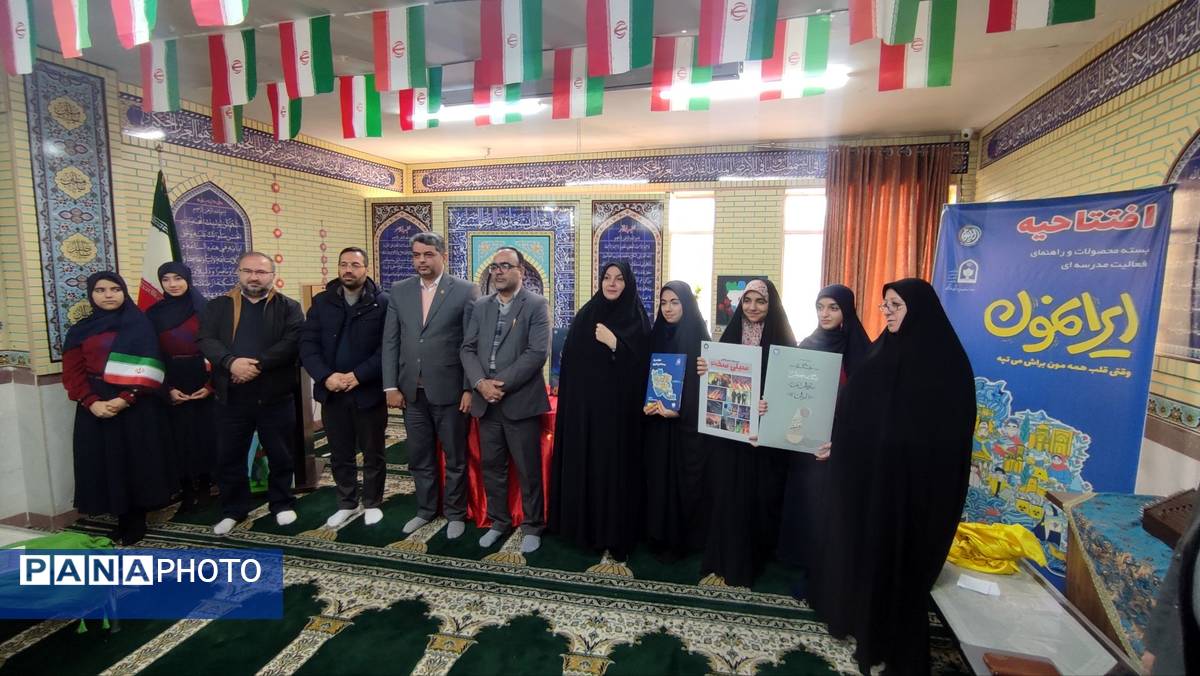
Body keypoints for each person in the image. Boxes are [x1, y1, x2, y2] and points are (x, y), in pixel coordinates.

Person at [810, 278, 975, 675]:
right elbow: (857, 413)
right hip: (873, 482)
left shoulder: (946, 363)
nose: (886, 311)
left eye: (895, 305)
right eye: (885, 304)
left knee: (900, 565)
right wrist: (842, 445)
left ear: (918, 309)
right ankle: (862, 623)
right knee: (868, 555)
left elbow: (951, 435)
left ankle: (889, 636)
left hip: (913, 490)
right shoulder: (880, 353)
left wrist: (899, 450)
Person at [62, 272, 174, 545]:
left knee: (135, 461)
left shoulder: (140, 325)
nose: (108, 295)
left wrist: (126, 397)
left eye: (114, 289)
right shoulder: (81, 330)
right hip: (95, 404)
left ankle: (136, 521)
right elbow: (73, 371)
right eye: (100, 290)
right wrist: (90, 401)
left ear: (124, 292)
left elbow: (151, 366)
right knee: (105, 461)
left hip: (136, 405)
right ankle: (118, 517)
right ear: (91, 295)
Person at [698, 279, 797, 587]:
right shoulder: (729, 338)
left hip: (763, 441)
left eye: (760, 301)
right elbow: (716, 386)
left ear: (771, 305)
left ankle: (749, 560)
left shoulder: (783, 341)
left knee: (756, 498)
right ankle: (722, 556)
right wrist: (706, 370)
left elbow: (792, 391)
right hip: (731, 437)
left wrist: (772, 403)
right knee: (728, 495)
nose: (753, 307)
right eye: (747, 300)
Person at [198, 252, 305, 536]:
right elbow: (206, 339)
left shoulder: (289, 307)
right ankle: (233, 509)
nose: (254, 277)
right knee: (229, 456)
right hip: (231, 397)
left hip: (274, 396)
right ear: (238, 273)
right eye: (248, 271)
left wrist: (256, 365)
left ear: (272, 276)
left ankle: (281, 503)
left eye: (261, 272)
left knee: (281, 454)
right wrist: (231, 363)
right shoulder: (218, 306)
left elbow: (292, 342)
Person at [550, 261, 650, 561]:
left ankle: (615, 533)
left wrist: (616, 344)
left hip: (620, 418)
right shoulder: (586, 315)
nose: (612, 283)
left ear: (628, 283)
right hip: (587, 415)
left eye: (619, 279)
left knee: (614, 474)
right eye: (607, 277)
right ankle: (587, 531)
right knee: (589, 469)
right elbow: (571, 364)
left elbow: (644, 369)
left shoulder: (637, 320)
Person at [382, 232, 478, 538]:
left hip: (450, 391)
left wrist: (468, 387)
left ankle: (455, 513)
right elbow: (391, 341)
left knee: (455, 457)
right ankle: (425, 510)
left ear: (443, 256)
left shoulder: (465, 290)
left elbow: (470, 343)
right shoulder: (400, 290)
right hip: (411, 392)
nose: (421, 260)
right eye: (416, 255)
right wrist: (390, 386)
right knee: (419, 456)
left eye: (428, 254)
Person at [461, 247, 551, 553]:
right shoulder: (481, 306)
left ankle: (533, 525)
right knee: (492, 467)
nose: (498, 271)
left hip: (519, 402)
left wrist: (498, 385)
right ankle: (498, 521)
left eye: (505, 266)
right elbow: (467, 349)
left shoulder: (536, 304)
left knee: (528, 469)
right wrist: (480, 384)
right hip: (486, 404)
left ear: (520, 272)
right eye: (494, 267)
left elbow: (536, 353)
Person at [776, 284, 870, 572]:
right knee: (805, 498)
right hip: (805, 438)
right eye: (820, 307)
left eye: (833, 308)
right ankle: (800, 557)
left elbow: (866, 403)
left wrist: (842, 438)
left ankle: (829, 562)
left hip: (839, 440)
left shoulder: (861, 350)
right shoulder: (808, 344)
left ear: (846, 310)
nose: (825, 314)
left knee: (832, 504)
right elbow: (788, 391)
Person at [300, 247, 390, 528]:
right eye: (344, 264)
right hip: (333, 392)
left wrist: (358, 375)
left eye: (355, 264)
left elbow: (387, 348)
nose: (348, 269)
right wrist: (325, 376)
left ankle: (372, 502)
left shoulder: (382, 302)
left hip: (368, 391)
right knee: (340, 452)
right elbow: (308, 345)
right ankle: (347, 503)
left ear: (366, 269)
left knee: (373, 452)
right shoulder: (322, 302)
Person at [642, 281, 712, 559]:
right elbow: (642, 376)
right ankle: (657, 535)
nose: (668, 309)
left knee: (685, 483)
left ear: (687, 305)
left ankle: (684, 539)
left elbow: (708, 388)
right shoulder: (655, 337)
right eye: (663, 303)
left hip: (686, 430)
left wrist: (681, 410)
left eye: (675, 302)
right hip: (657, 426)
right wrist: (646, 402)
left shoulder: (700, 340)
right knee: (658, 481)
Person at [145, 262, 216, 513]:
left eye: (178, 278)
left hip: (203, 375)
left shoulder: (206, 309)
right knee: (178, 437)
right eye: (166, 279)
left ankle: (206, 486)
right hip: (171, 377)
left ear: (188, 279)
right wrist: (166, 388)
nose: (172, 284)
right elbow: (150, 353)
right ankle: (186, 489)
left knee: (205, 434)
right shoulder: (153, 314)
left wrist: (211, 385)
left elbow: (219, 347)